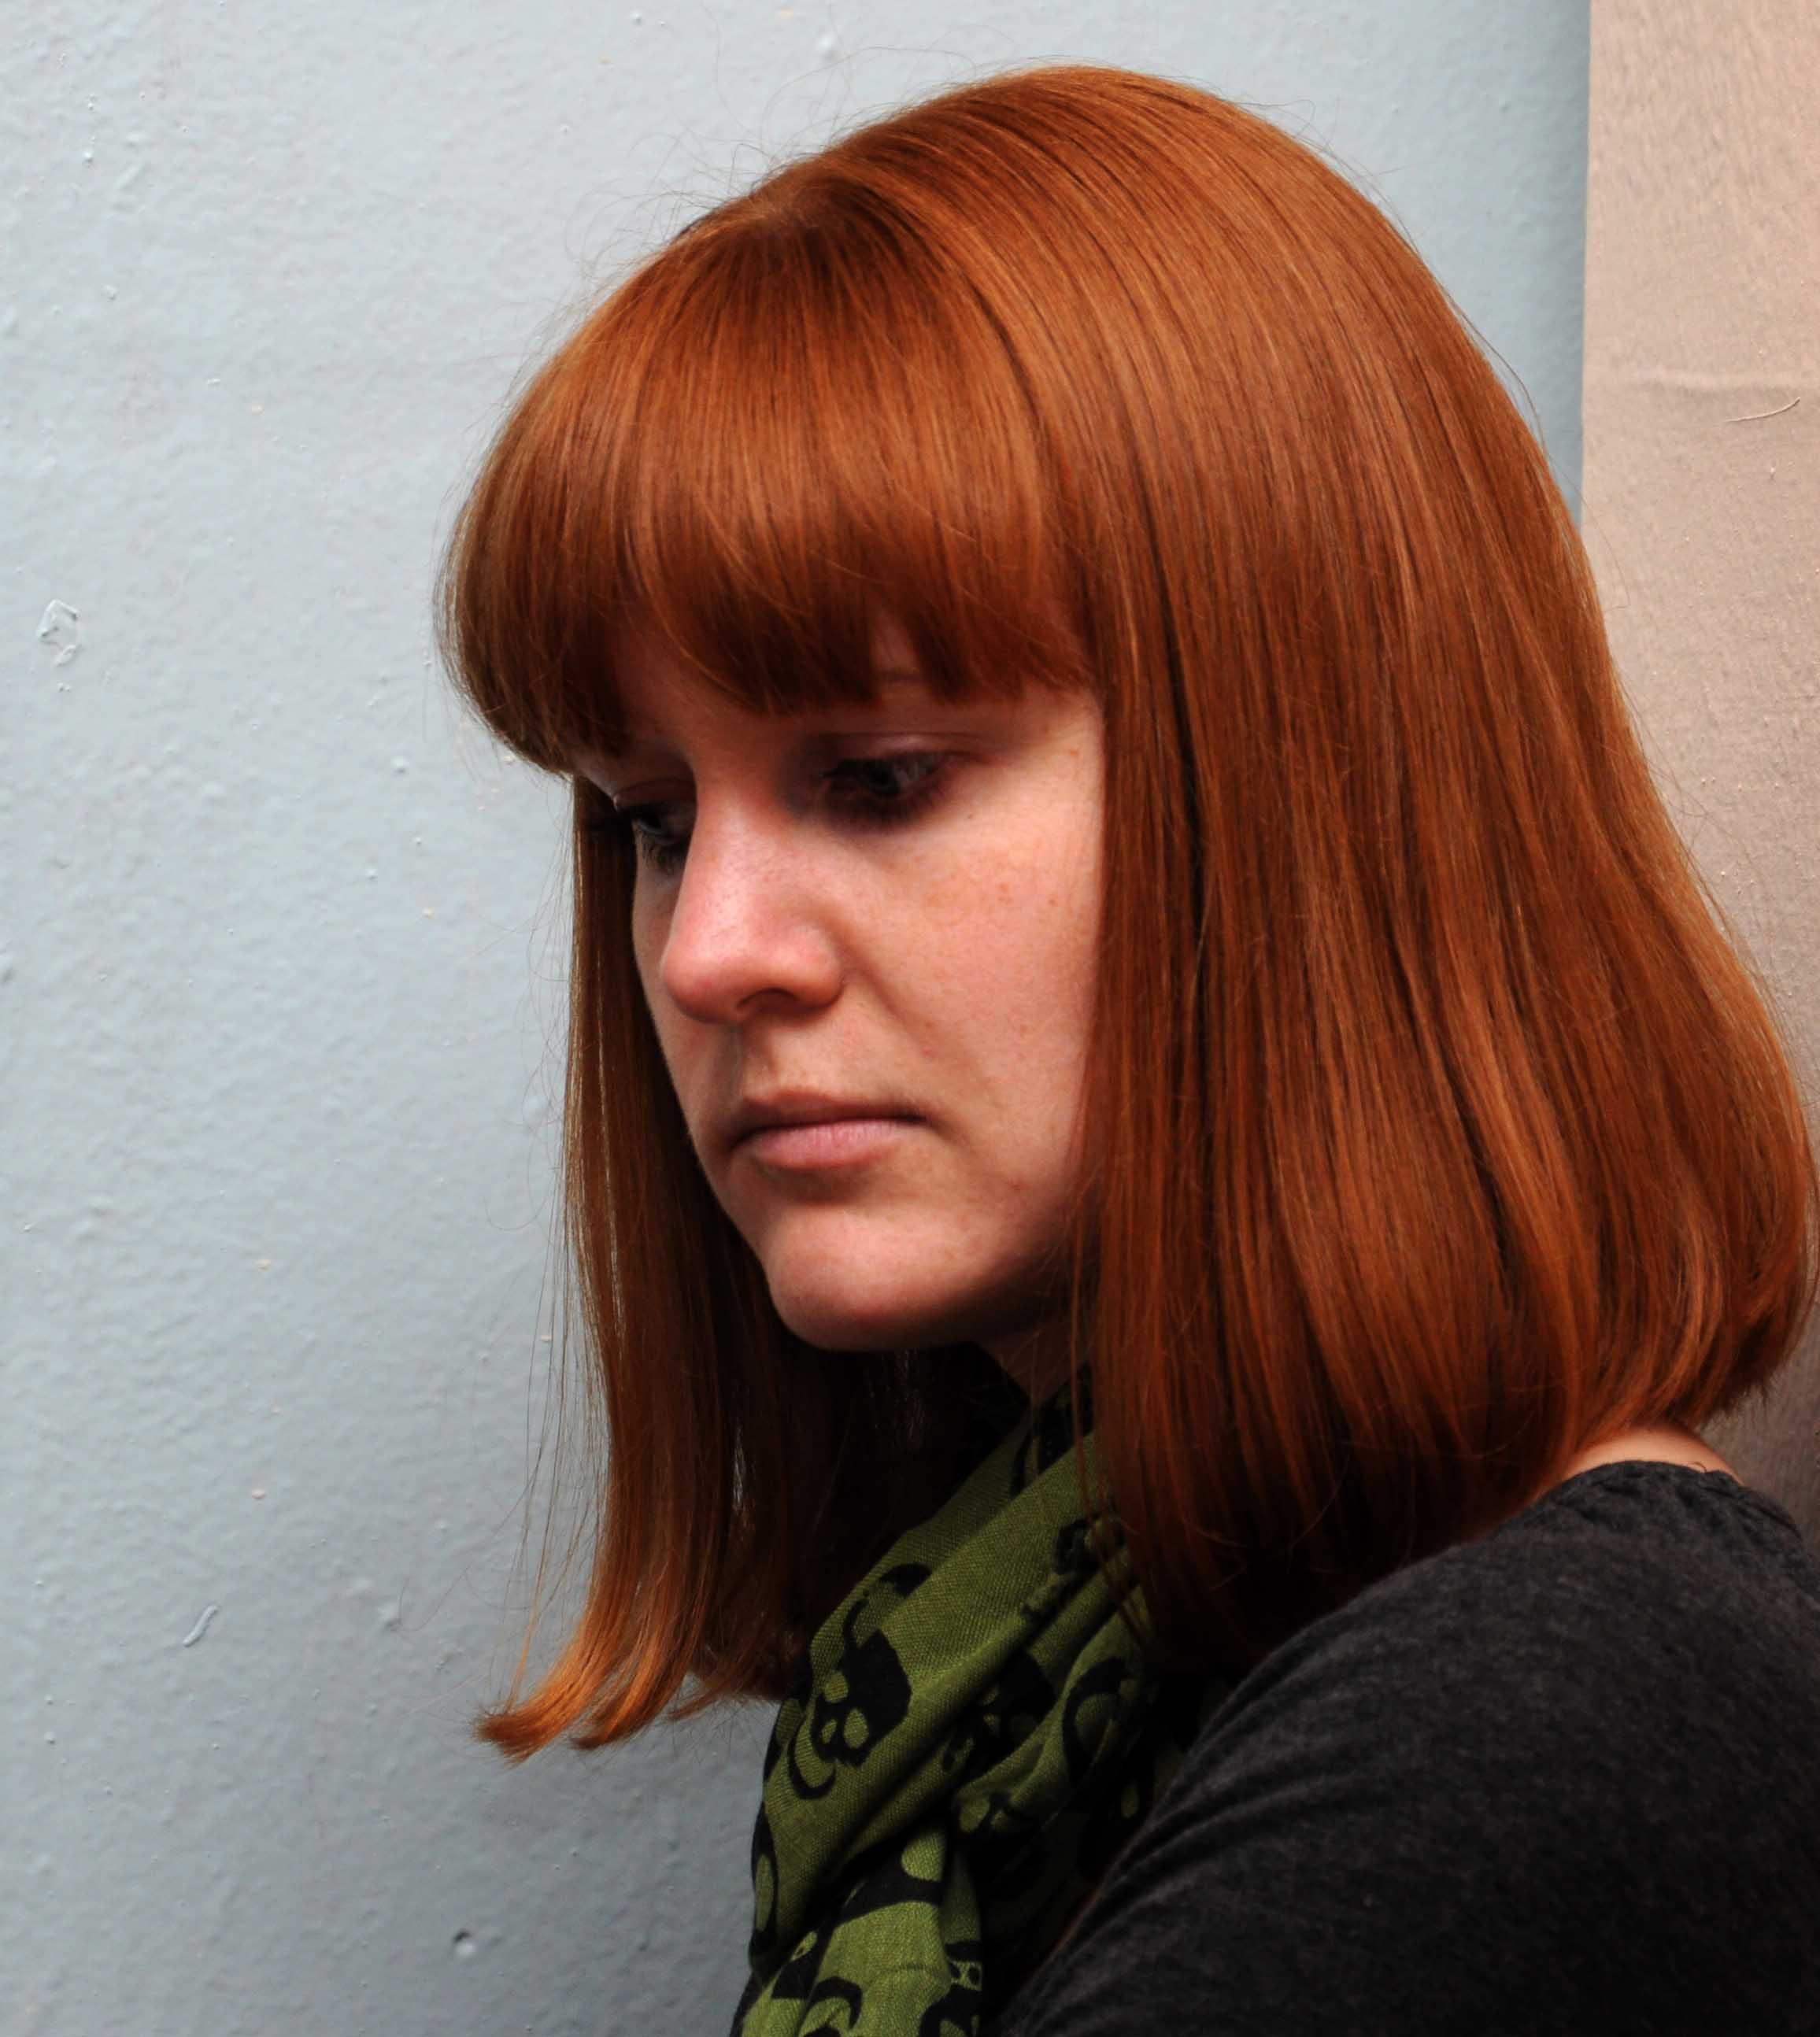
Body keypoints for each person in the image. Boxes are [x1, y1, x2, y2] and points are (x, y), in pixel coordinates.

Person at [434, 61, 1820, 2035]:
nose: (710, 951)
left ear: (1310, 792)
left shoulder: (1540, 1733)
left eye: (881, 778)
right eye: (652, 819)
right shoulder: (1033, 1696)